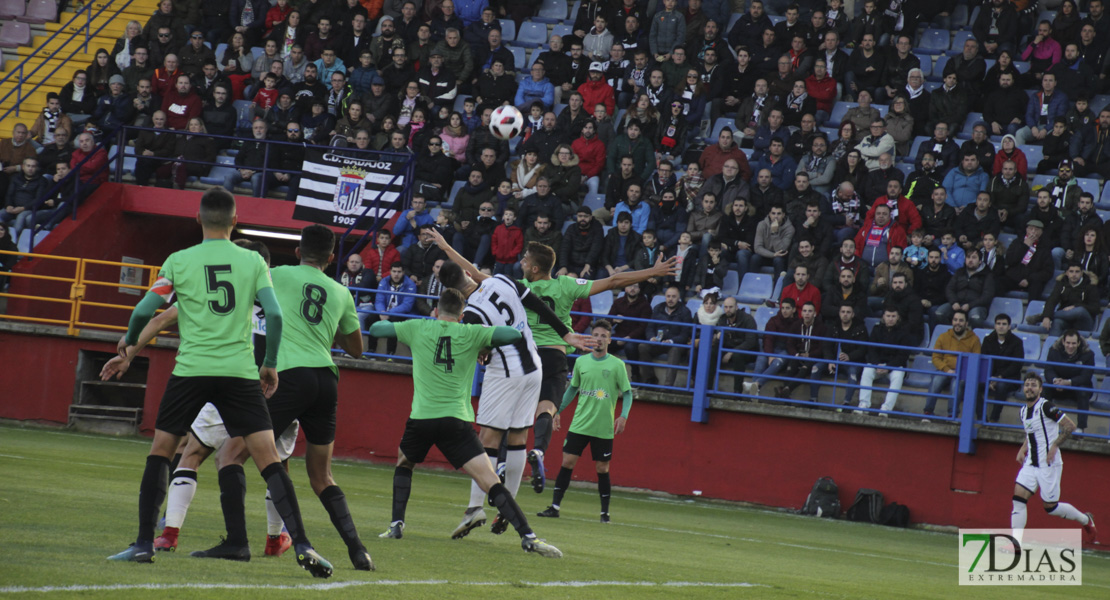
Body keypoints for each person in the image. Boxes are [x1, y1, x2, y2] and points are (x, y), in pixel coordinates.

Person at [105, 190, 333, 576]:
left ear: (197, 219)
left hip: (191, 370)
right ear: (235, 220)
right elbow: (274, 316)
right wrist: (271, 365)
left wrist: (127, 350)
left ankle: (145, 543)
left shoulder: (179, 260)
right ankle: (304, 545)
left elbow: (146, 310)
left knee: (163, 451)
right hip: (239, 372)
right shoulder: (252, 262)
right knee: (269, 460)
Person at [368, 288, 563, 558]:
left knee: (404, 463)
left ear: (436, 311)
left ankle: (396, 525)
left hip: (422, 418)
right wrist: (484, 340)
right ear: (462, 315)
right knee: (490, 480)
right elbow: (513, 334)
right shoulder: (470, 332)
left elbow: (377, 329)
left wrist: (403, 324)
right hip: (456, 421)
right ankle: (528, 536)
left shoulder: (418, 327)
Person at [536, 319, 631, 523]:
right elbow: (572, 389)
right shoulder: (581, 362)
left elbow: (628, 393)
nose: (599, 339)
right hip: (580, 424)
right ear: (591, 337)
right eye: (595, 335)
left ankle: (604, 513)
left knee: (602, 468)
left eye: (603, 336)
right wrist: (556, 410)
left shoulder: (617, 365)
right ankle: (554, 507)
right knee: (567, 462)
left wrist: (623, 416)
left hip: (603, 426)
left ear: (609, 340)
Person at [1010, 372, 1097, 547]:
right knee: (1018, 499)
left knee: (1050, 507)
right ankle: (1015, 544)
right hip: (1030, 463)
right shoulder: (1023, 411)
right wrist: (1023, 449)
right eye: (1027, 384)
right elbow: (1031, 433)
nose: (1029, 388)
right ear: (1023, 388)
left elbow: (1070, 425)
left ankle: (1085, 519)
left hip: (1048, 464)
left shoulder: (1046, 407)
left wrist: (1055, 446)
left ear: (1040, 389)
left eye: (1034, 385)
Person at [923, 310, 981, 419]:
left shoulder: (974, 339)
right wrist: (947, 370)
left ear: (966, 323)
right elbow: (936, 358)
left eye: (961, 320)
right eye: (955, 320)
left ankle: (952, 414)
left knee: (956, 384)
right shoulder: (943, 337)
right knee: (936, 380)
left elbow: (975, 360)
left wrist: (960, 371)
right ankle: (927, 412)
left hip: (962, 372)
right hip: (945, 370)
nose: (957, 323)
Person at [635, 284, 694, 386]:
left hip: (675, 344)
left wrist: (671, 341)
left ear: (679, 298)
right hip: (658, 342)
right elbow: (650, 327)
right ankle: (650, 379)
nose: (670, 299)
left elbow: (685, 334)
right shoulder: (658, 308)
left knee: (675, 350)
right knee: (642, 347)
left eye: (673, 296)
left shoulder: (685, 311)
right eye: (668, 296)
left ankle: (667, 385)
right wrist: (651, 337)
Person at [856, 307, 912, 414]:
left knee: (899, 374)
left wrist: (888, 366)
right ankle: (864, 404)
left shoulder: (904, 332)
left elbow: (903, 356)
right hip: (878, 365)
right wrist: (877, 364)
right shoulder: (876, 329)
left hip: (894, 367)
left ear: (898, 318)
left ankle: (886, 408)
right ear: (883, 317)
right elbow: (871, 350)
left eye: (893, 316)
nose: (890, 319)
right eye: (888, 316)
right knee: (867, 370)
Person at [980, 313, 1025, 422]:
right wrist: (990, 379)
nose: (1001, 326)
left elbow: (1016, 365)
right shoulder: (987, 340)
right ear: (995, 326)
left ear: (1009, 326)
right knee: (972, 385)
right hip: (990, 377)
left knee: (1001, 386)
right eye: (998, 324)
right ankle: (981, 416)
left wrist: (999, 377)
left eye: (1004, 324)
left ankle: (994, 419)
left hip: (1009, 378)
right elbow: (984, 362)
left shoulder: (1017, 342)